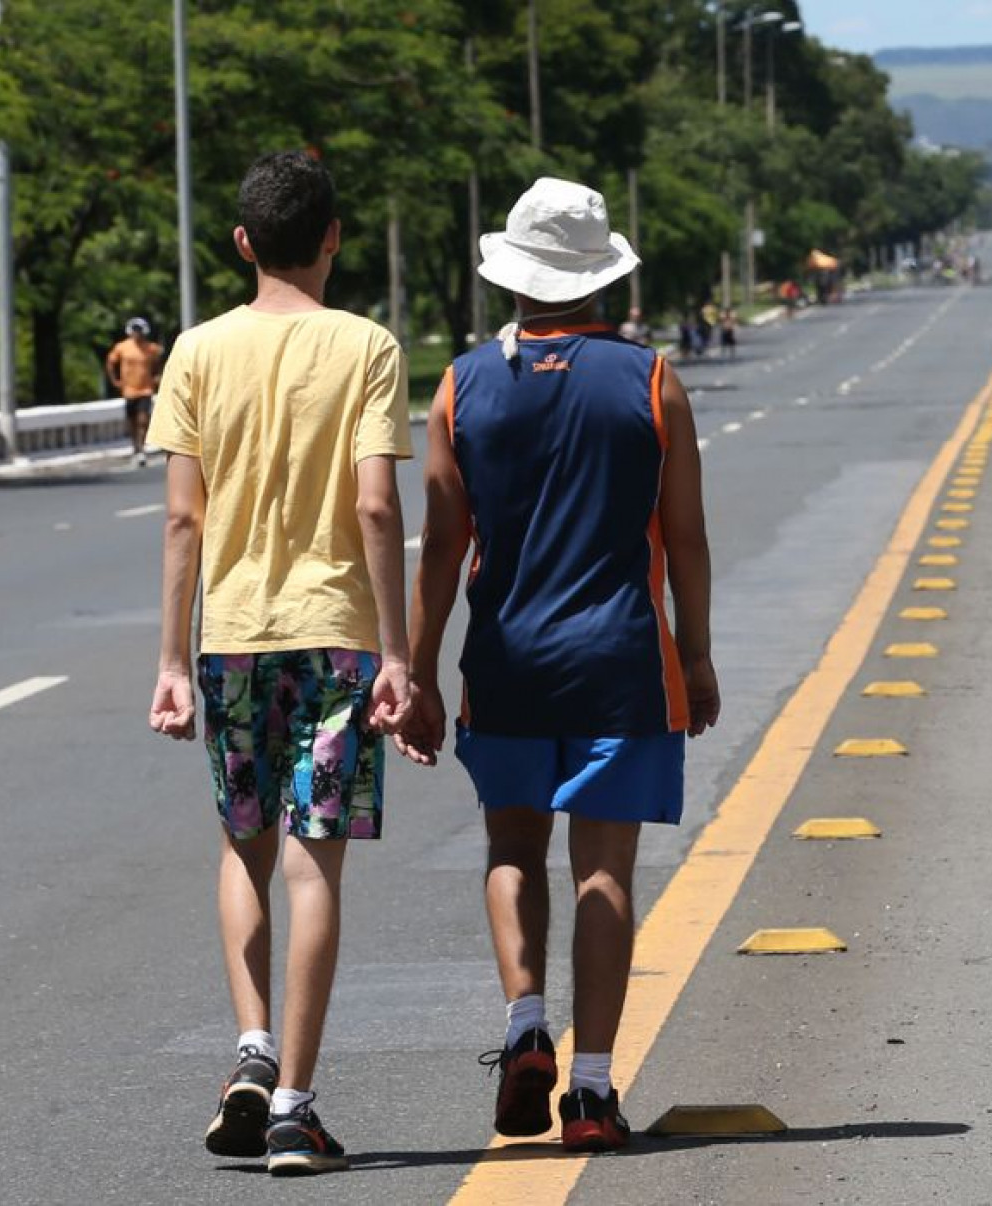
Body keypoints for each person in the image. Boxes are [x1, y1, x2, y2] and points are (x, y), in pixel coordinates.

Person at [397, 177, 719, 1155]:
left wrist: (414, 675)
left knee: (510, 850)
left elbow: (442, 548)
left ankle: (526, 1022)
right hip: (623, 660)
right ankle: (590, 1091)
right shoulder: (653, 379)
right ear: (598, 275)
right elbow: (687, 537)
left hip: (506, 662)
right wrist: (694, 655)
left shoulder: (459, 385)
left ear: (515, 276)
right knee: (605, 873)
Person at [147, 150, 413, 1177]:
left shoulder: (197, 352)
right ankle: (297, 1109)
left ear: (243, 242)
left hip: (234, 641)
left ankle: (251, 1044)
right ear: (335, 237)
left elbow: (182, 520)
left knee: (244, 844)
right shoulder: (368, 348)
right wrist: (398, 652)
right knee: (315, 862)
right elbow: (378, 505)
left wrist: (173, 660)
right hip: (338, 636)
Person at [106, 317, 164, 467]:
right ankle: (135, 447)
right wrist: (115, 380)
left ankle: (142, 449)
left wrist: (157, 376)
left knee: (143, 420)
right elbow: (111, 362)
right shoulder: (122, 348)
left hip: (145, 389)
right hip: (129, 390)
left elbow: (159, 363)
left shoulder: (151, 349)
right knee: (131, 421)